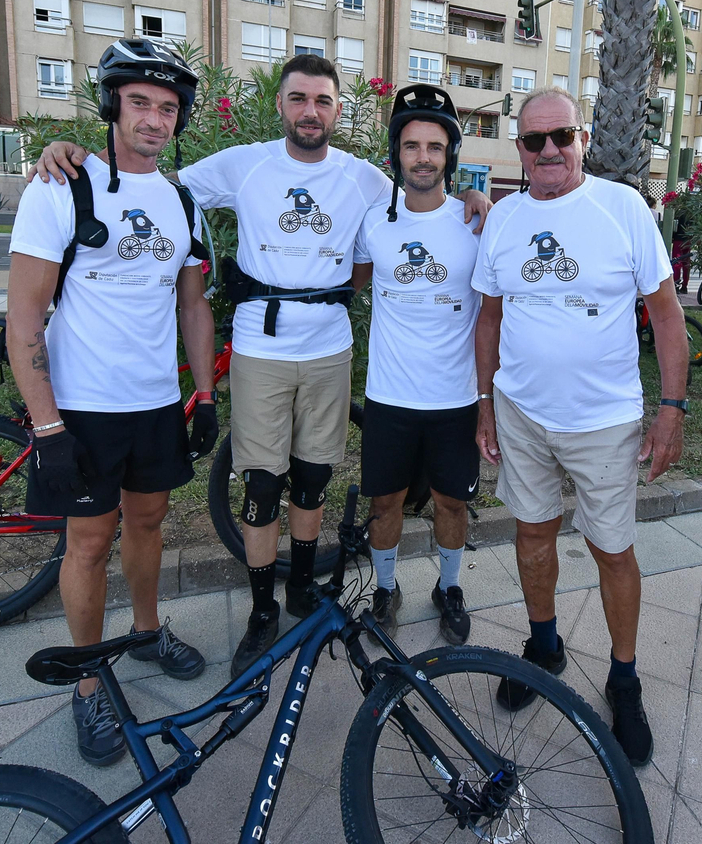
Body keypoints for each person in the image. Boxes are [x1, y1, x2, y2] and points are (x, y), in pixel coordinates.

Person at [29, 56, 492, 680]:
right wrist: (73, 151)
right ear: (279, 104)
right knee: (262, 485)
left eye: (323, 101)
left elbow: (420, 200)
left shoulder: (363, 179)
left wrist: (473, 196)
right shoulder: (242, 163)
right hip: (260, 348)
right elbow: (152, 178)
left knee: (311, 480)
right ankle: (260, 607)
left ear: (336, 110)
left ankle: (302, 586)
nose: (310, 111)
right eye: (298, 98)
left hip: (328, 350)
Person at [6, 39, 216, 766]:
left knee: (150, 523)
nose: (154, 119)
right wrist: (47, 426)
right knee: (90, 543)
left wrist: (205, 393)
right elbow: (25, 316)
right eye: (139, 104)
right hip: (83, 407)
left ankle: (149, 630)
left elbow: (191, 305)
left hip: (155, 401)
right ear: (111, 106)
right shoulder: (62, 185)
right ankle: (90, 681)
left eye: (167, 107)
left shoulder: (182, 199)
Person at [472, 86, 687, 768]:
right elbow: (489, 318)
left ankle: (625, 676)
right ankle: (544, 644)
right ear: (520, 150)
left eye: (560, 136)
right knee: (532, 535)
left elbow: (668, 312)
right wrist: (484, 402)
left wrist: (672, 409)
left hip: (606, 420)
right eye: (534, 141)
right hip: (522, 413)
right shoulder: (504, 219)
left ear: (581, 138)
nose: (549, 152)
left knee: (611, 550)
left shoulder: (622, 207)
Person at [348, 85, 480, 643]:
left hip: (456, 398)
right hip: (390, 397)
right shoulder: (373, 223)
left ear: (449, 154)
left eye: (434, 145)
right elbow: (348, 285)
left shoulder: (478, 222)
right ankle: (385, 588)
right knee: (386, 500)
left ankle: (449, 587)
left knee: (452, 500)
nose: (422, 156)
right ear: (395, 154)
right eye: (411, 145)